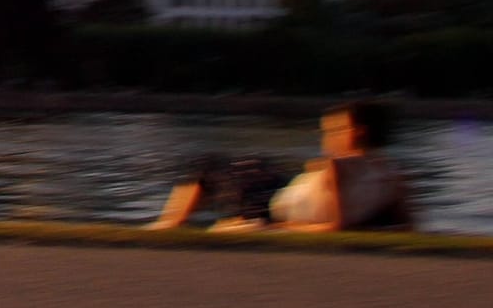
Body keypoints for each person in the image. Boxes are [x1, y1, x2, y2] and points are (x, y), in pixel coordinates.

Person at [148, 100, 415, 232]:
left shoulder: (338, 166)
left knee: (207, 165)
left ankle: (167, 226)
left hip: (268, 209)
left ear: (356, 133)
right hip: (286, 190)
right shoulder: (392, 173)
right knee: (258, 164)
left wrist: (264, 229)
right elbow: (407, 228)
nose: (326, 138)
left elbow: (335, 226)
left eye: (332, 131)